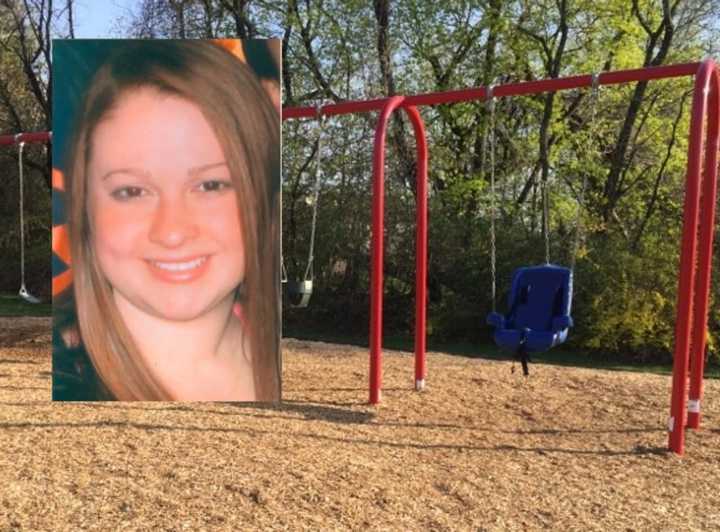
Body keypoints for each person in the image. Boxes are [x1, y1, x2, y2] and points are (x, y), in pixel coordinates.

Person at [52, 40, 280, 402]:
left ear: (262, 194)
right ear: (84, 208)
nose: (172, 232)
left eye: (210, 185)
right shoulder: (63, 386)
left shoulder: (282, 356)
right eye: (131, 192)